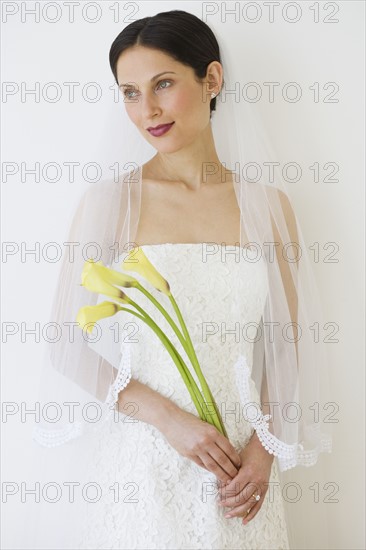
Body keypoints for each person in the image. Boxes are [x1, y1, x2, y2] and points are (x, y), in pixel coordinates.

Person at [31, 9, 332, 550]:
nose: (146, 110)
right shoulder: (110, 204)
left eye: (163, 84)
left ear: (211, 79)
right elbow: (65, 346)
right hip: (143, 468)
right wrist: (169, 421)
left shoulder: (268, 207)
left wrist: (263, 454)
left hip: (242, 475)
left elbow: (287, 347)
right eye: (129, 92)